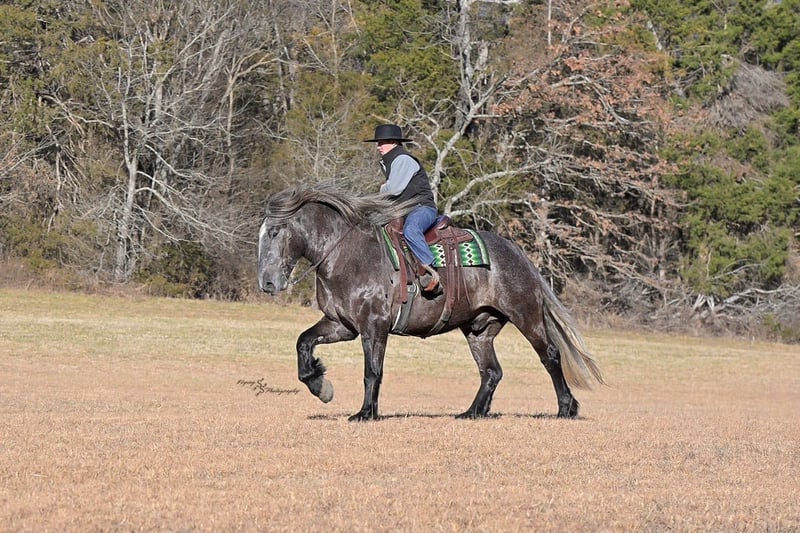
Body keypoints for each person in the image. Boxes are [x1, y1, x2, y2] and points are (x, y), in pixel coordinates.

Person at [364, 123, 441, 293]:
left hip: (422, 208)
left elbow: (393, 189)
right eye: (378, 143)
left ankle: (431, 270)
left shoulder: (402, 159)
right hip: (405, 210)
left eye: (381, 142)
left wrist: (381, 189)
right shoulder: (390, 161)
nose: (378, 146)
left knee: (411, 230)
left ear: (393, 142)